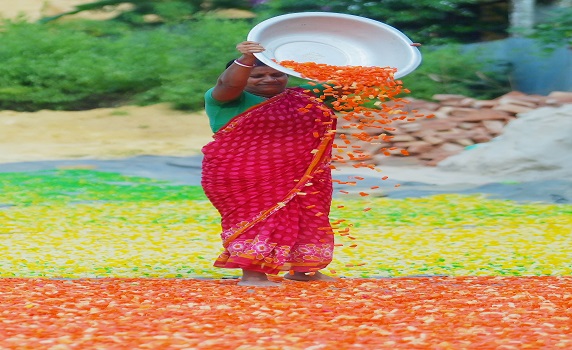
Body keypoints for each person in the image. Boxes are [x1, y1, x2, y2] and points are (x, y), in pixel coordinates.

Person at [202, 41, 338, 286]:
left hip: (301, 172)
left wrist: (391, 54)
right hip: (245, 174)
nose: (269, 79)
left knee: (307, 216)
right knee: (261, 218)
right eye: (257, 75)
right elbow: (229, 83)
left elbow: (342, 83)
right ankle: (253, 275)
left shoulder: (299, 97)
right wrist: (246, 58)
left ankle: (304, 271)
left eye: (277, 74)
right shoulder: (227, 98)